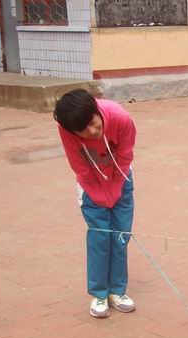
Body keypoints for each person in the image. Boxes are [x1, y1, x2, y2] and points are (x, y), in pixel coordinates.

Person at [54, 89, 136, 319]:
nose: (92, 131)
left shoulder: (120, 117)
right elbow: (79, 166)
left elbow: (125, 156)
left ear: (96, 110)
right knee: (100, 238)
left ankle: (117, 291)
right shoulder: (67, 127)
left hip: (121, 178)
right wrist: (100, 195)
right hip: (90, 186)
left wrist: (115, 191)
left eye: (92, 123)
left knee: (120, 236)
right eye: (83, 130)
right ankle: (99, 294)